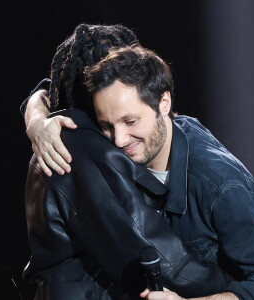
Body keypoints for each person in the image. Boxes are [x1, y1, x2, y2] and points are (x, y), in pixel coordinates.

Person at [23, 24, 231, 300]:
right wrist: (234, 285)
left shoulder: (57, 129)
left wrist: (34, 114)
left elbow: (45, 90)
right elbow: (157, 255)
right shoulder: (84, 147)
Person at [81, 45, 254, 299]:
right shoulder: (139, 140)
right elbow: (56, 86)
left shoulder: (220, 185)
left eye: (130, 122)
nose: (118, 140)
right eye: (107, 126)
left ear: (164, 103)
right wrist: (37, 120)